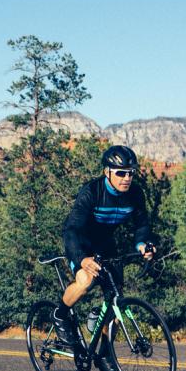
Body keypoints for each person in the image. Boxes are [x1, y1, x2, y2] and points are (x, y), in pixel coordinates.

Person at [52, 145, 154, 348]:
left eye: (131, 173)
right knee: (86, 281)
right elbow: (71, 229)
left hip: (106, 245)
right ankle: (60, 315)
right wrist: (81, 258)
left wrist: (143, 244)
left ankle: (106, 354)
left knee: (115, 299)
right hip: (81, 243)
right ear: (107, 172)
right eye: (121, 173)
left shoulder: (135, 193)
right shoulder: (92, 191)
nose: (127, 178)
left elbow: (141, 223)